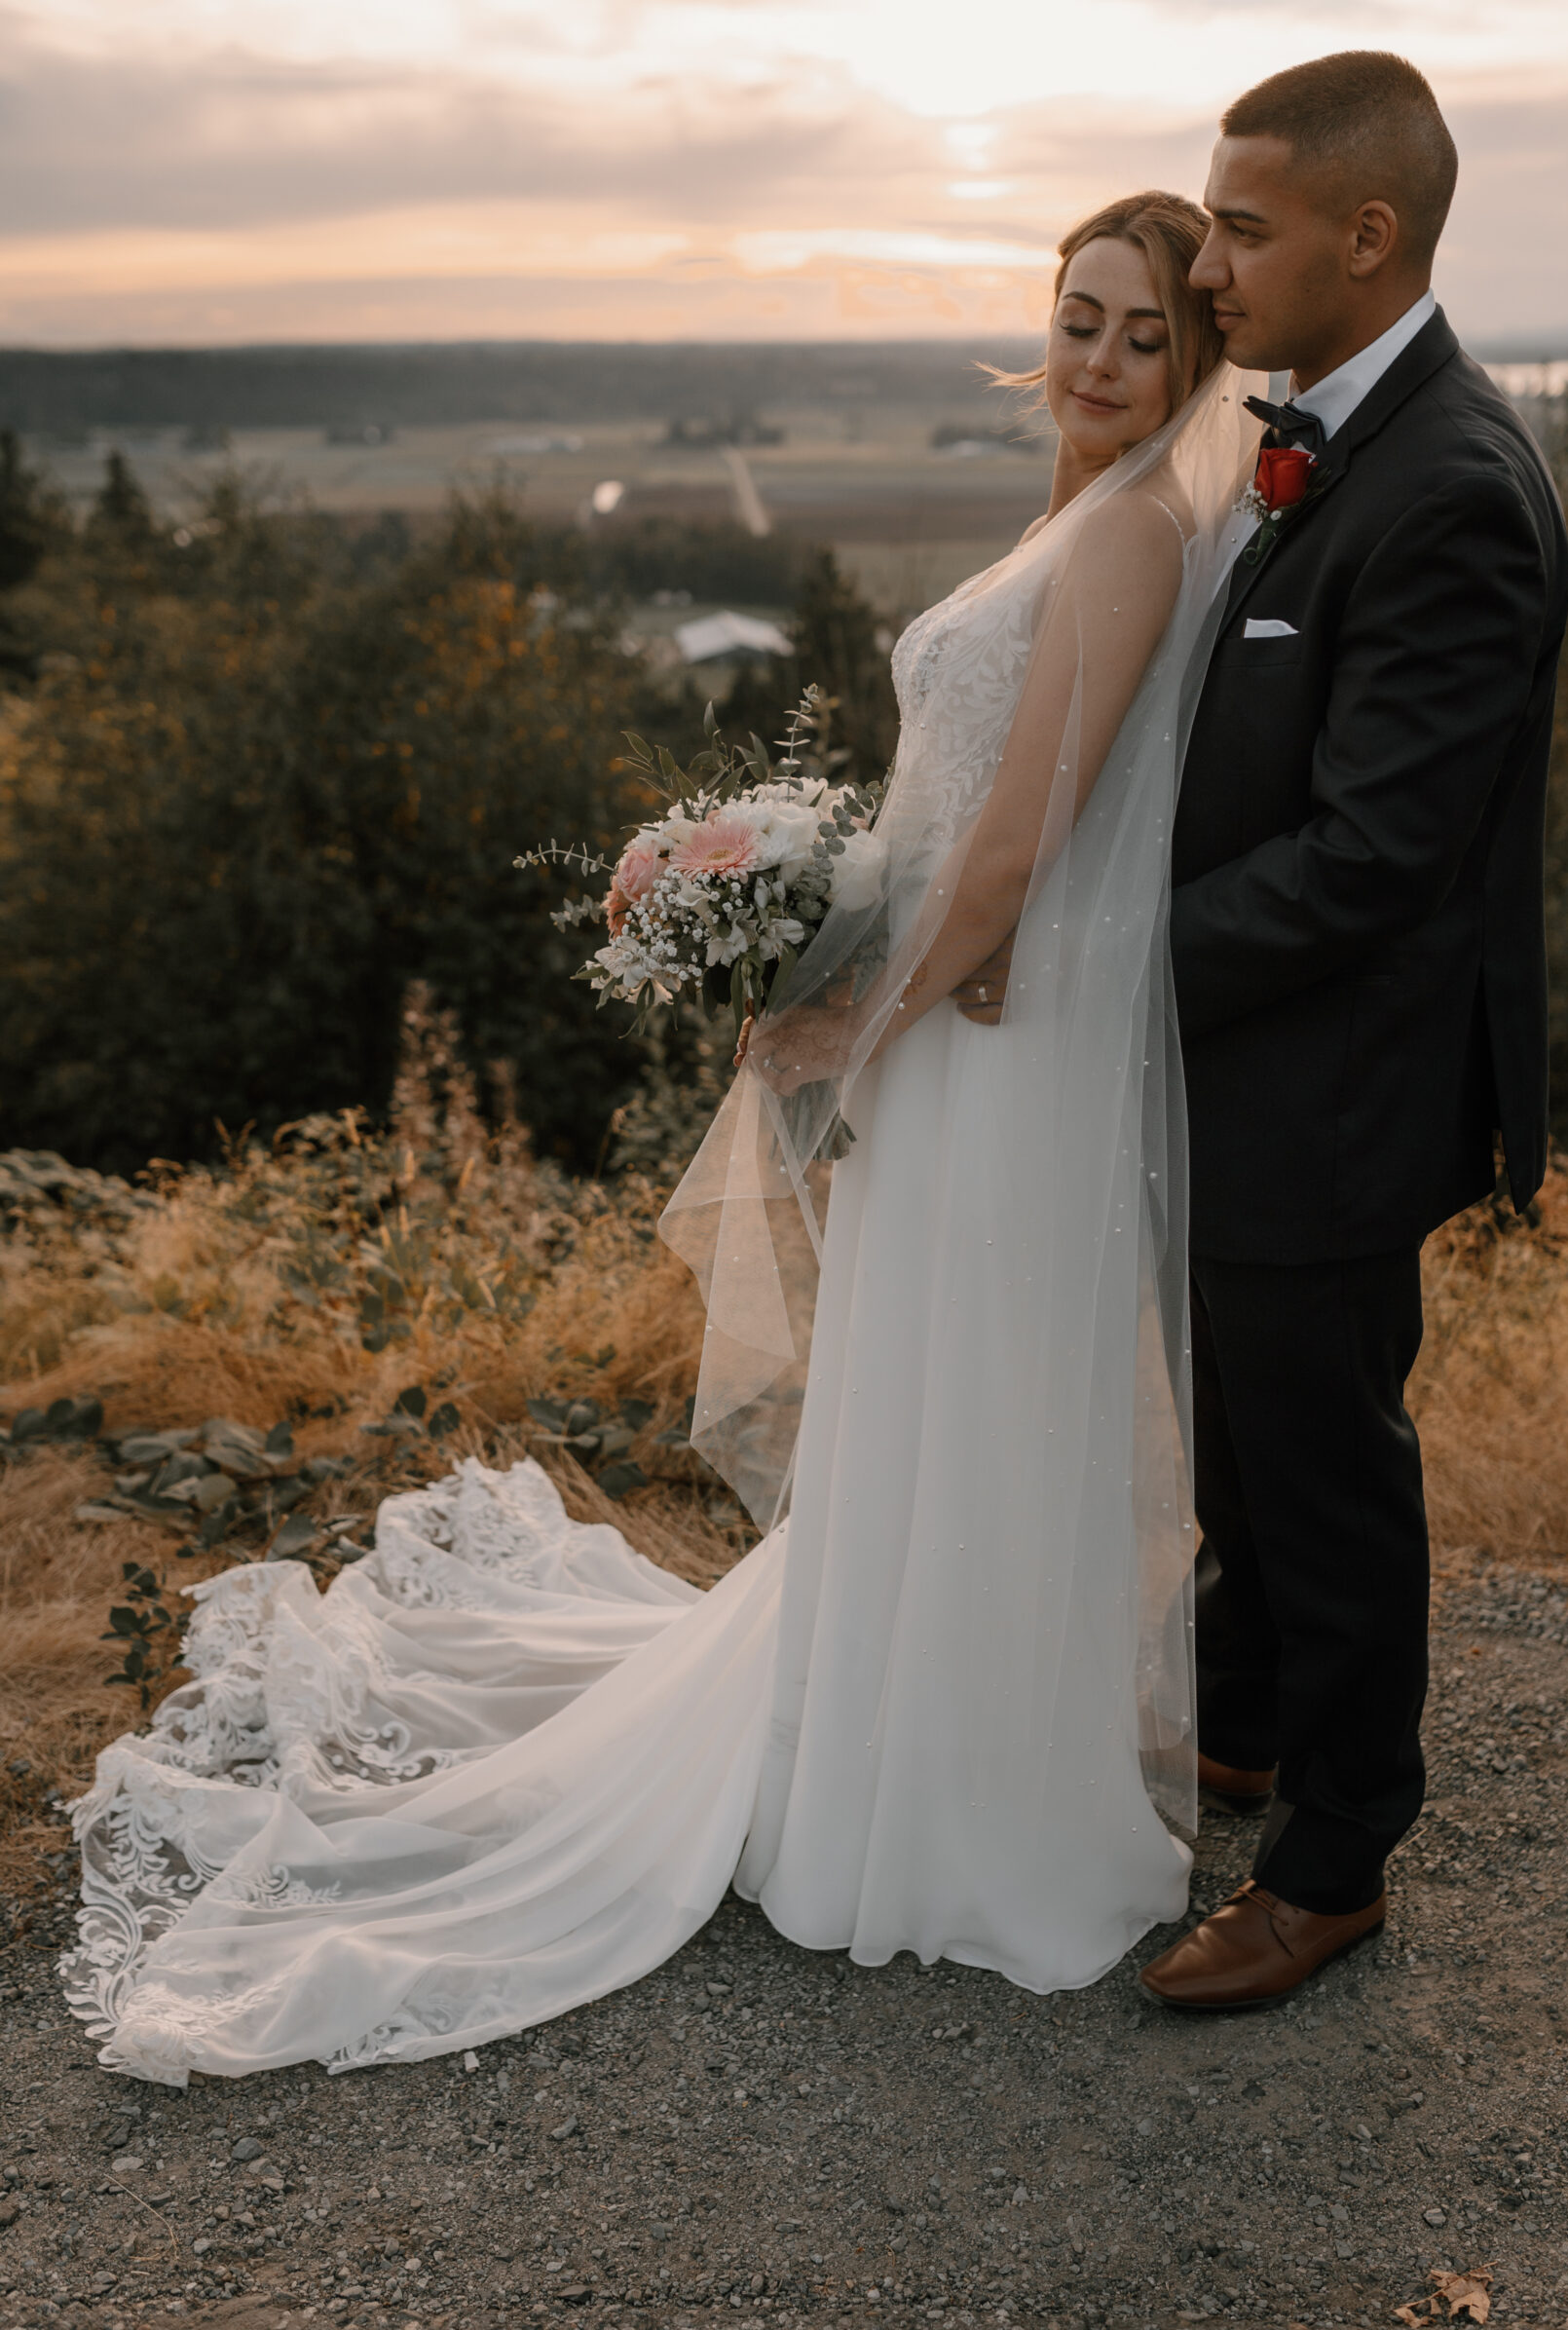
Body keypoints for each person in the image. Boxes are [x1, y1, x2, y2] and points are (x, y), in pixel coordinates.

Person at [62, 193, 1262, 2082]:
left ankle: (954, 1792)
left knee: (972, 1386)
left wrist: (851, 1010)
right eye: (1076, 316)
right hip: (950, 1014)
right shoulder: (1067, 516)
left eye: (1139, 337)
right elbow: (954, 819)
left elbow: (1025, 848)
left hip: (996, 1042)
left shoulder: (1126, 539)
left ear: (1191, 367)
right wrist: (831, 928)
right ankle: (879, 1735)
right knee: (916, 1380)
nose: (1098, 360)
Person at [964, 53, 1568, 2011]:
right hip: (1233, 1063)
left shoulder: (1452, 488)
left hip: (1333, 1084)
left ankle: (1330, 1851)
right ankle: (1235, 1712)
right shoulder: (1305, 434)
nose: (1208, 264)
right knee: (1234, 1420)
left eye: (1238, 227)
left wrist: (1086, 963)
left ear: (1362, 235)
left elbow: (1369, 862)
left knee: (1319, 1458)